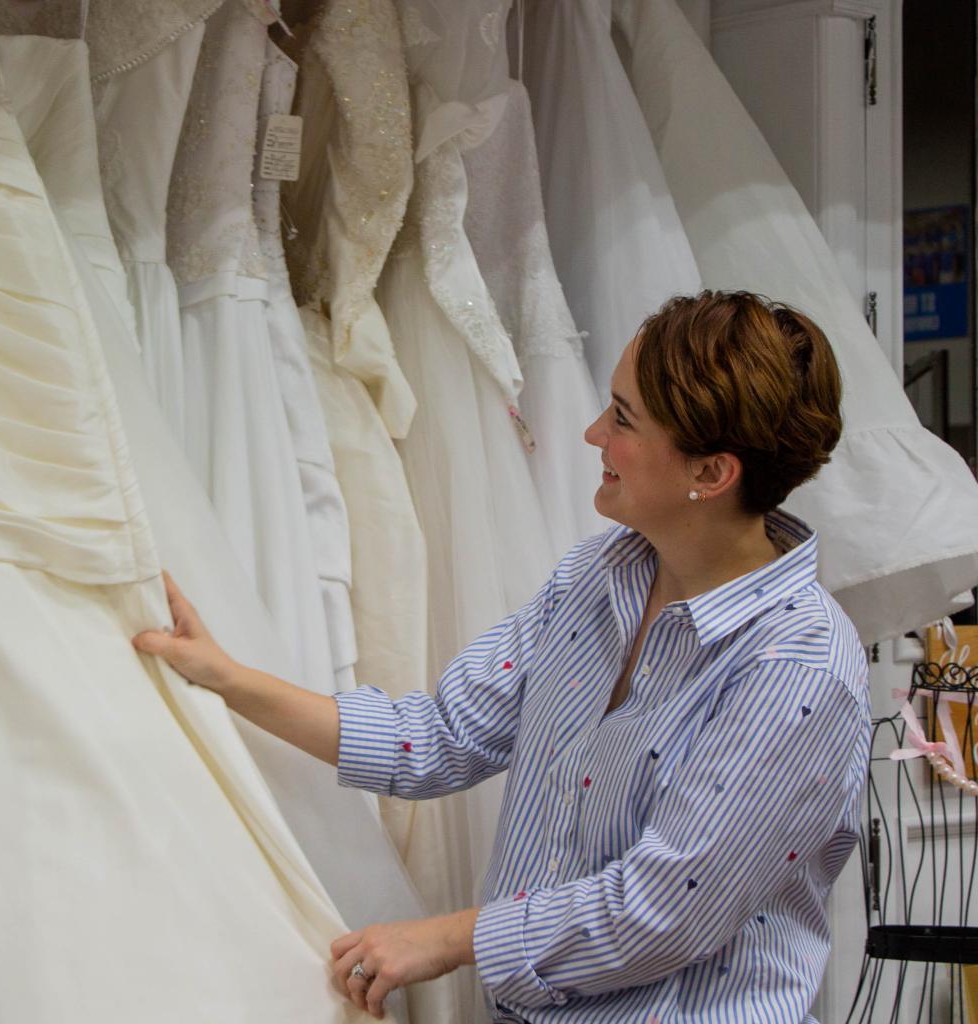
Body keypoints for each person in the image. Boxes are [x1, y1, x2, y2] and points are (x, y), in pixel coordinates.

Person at [134, 290, 871, 1022]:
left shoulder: (798, 672)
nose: (590, 433)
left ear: (710, 474)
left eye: (621, 418)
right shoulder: (598, 578)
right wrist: (227, 678)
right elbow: (438, 737)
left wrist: (449, 939)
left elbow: (658, 911)